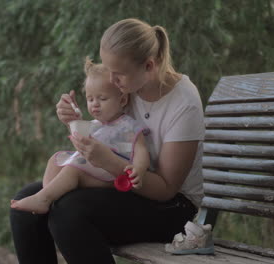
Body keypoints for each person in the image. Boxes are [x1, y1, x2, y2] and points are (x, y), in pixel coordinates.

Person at [10, 18, 205, 264]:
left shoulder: (183, 103)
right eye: (108, 69)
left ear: (148, 65)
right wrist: (73, 120)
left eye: (118, 74)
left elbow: (166, 189)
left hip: (174, 208)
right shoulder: (128, 87)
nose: (111, 80)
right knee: (25, 206)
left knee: (69, 211)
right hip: (123, 187)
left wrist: (110, 163)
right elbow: (106, 132)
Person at [10, 58, 150, 214]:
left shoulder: (128, 125)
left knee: (73, 170)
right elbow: (81, 147)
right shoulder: (95, 125)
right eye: (90, 99)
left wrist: (138, 169)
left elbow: (141, 150)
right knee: (55, 160)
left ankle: (43, 199)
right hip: (94, 169)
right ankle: (50, 198)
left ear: (122, 99)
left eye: (102, 98)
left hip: (113, 176)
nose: (95, 104)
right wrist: (74, 121)